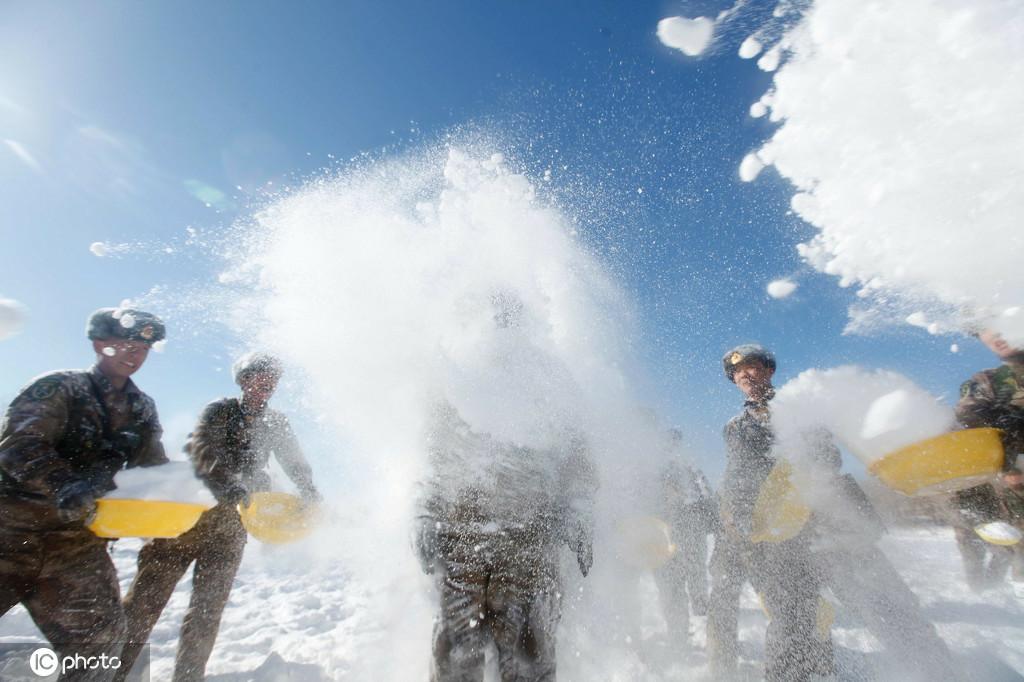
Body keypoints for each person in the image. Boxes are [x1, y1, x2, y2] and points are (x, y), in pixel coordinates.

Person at [116, 352, 320, 682]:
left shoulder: (275, 423)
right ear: (243, 380)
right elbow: (201, 450)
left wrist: (308, 488)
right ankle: (111, 674)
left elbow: (293, 460)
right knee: (144, 604)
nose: (266, 383)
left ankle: (188, 677)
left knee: (207, 613)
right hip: (185, 521)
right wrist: (226, 483)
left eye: (272, 379)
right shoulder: (220, 410)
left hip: (231, 528)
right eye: (258, 376)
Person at [0, 307, 168, 680]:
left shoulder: (141, 408)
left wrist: (188, 496)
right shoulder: (61, 387)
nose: (134, 353)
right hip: (10, 532)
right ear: (99, 344)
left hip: (74, 543)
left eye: (143, 347)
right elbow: (19, 445)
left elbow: (153, 469)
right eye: (124, 343)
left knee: (102, 640)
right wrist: (66, 485)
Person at [415, 401, 597, 682]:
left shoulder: (547, 381)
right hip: (462, 538)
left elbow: (577, 458)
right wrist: (425, 512)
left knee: (529, 651)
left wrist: (578, 510)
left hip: (530, 542)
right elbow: (435, 458)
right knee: (456, 649)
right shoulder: (458, 379)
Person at [707, 344, 828, 681]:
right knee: (722, 596)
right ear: (734, 381)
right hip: (738, 526)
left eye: (753, 365)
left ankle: (807, 669)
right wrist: (734, 512)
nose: (746, 373)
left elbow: (827, 460)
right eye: (738, 371)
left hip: (790, 526)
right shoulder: (734, 426)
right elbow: (736, 473)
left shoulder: (798, 410)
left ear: (769, 370)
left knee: (796, 605)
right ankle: (720, 669)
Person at [952, 328, 1024, 590]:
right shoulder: (987, 385)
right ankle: (982, 586)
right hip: (1006, 512)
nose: (996, 332)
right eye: (983, 326)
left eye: (998, 316)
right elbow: (964, 435)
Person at [653, 431, 716, 646]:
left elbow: (707, 493)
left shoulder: (688, 465)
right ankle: (679, 634)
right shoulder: (655, 466)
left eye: (674, 442)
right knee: (673, 584)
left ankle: (700, 618)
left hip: (690, 528)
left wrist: (712, 520)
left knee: (694, 574)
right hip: (666, 532)